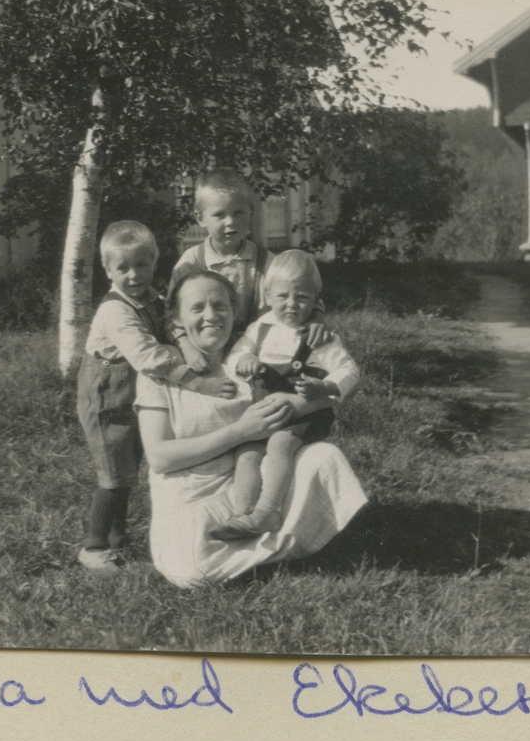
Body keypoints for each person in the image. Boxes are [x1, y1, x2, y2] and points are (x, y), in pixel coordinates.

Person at [135, 270, 368, 587]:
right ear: (175, 318)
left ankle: (257, 536)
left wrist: (317, 321)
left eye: (220, 306)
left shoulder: (253, 357)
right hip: (191, 497)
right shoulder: (160, 370)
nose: (211, 316)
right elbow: (160, 458)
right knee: (189, 569)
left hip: (257, 487)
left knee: (324, 457)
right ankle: (281, 545)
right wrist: (242, 431)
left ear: (233, 311)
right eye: (197, 308)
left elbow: (323, 395)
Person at [76, 221, 237, 574]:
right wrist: (196, 383)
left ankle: (119, 543)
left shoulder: (151, 297)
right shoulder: (114, 310)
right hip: (105, 400)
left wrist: (181, 342)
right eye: (123, 268)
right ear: (107, 270)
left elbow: (168, 322)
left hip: (129, 394)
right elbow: (147, 355)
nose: (134, 275)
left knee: (127, 469)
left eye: (142, 265)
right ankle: (93, 546)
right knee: (113, 475)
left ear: (154, 263)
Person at [212, 250, 361, 540]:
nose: (291, 305)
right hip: (263, 413)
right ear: (267, 296)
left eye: (302, 298)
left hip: (304, 415)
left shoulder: (319, 336)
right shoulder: (261, 328)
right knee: (247, 453)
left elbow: (349, 370)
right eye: (283, 297)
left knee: (280, 445)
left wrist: (325, 387)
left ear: (315, 300)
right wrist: (244, 362)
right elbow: (234, 356)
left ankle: (268, 511)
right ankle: (241, 516)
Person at [168, 168, 331, 372]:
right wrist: (186, 346)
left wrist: (317, 317)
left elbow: (302, 291)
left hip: (253, 350)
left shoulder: (266, 262)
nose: (231, 222)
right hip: (203, 347)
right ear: (200, 218)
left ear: (250, 212)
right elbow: (170, 313)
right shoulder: (191, 262)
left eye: (239, 213)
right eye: (219, 215)